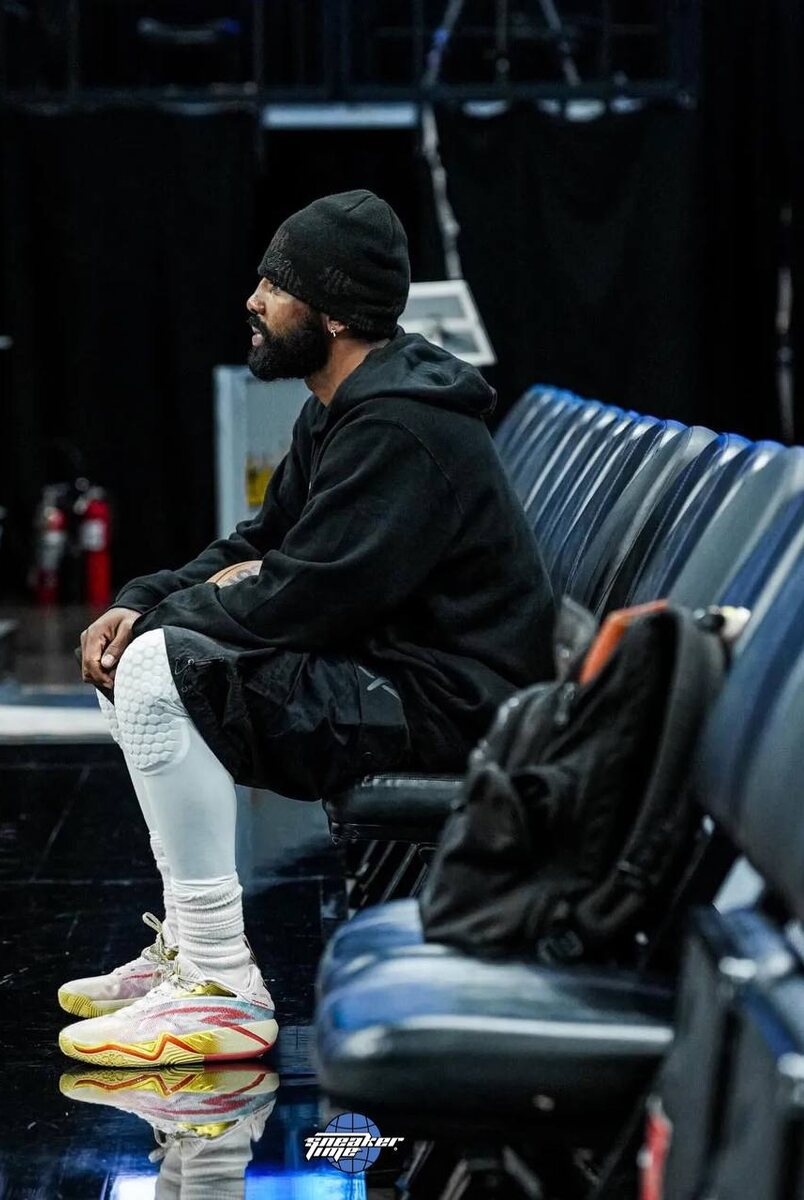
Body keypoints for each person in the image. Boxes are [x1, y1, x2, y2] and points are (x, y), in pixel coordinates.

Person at [57, 189, 556, 1067]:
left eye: (276, 285)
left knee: (156, 669)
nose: (253, 299)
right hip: (396, 674)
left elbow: (303, 596)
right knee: (138, 654)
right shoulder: (343, 404)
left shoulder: (402, 426)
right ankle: (189, 947)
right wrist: (142, 598)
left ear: (333, 314)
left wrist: (168, 621)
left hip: (450, 708)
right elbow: (260, 545)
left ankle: (221, 988)